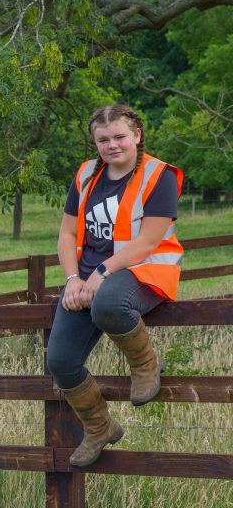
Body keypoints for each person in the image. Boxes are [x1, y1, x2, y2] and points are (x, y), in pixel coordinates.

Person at [47, 103, 183, 467]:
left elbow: (148, 241)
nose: (112, 145)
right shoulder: (87, 174)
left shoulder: (159, 175)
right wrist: (73, 279)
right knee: (60, 361)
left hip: (144, 271)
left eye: (120, 136)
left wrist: (100, 274)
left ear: (137, 135)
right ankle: (99, 427)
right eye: (103, 139)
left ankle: (145, 365)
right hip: (89, 276)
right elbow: (67, 232)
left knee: (108, 303)